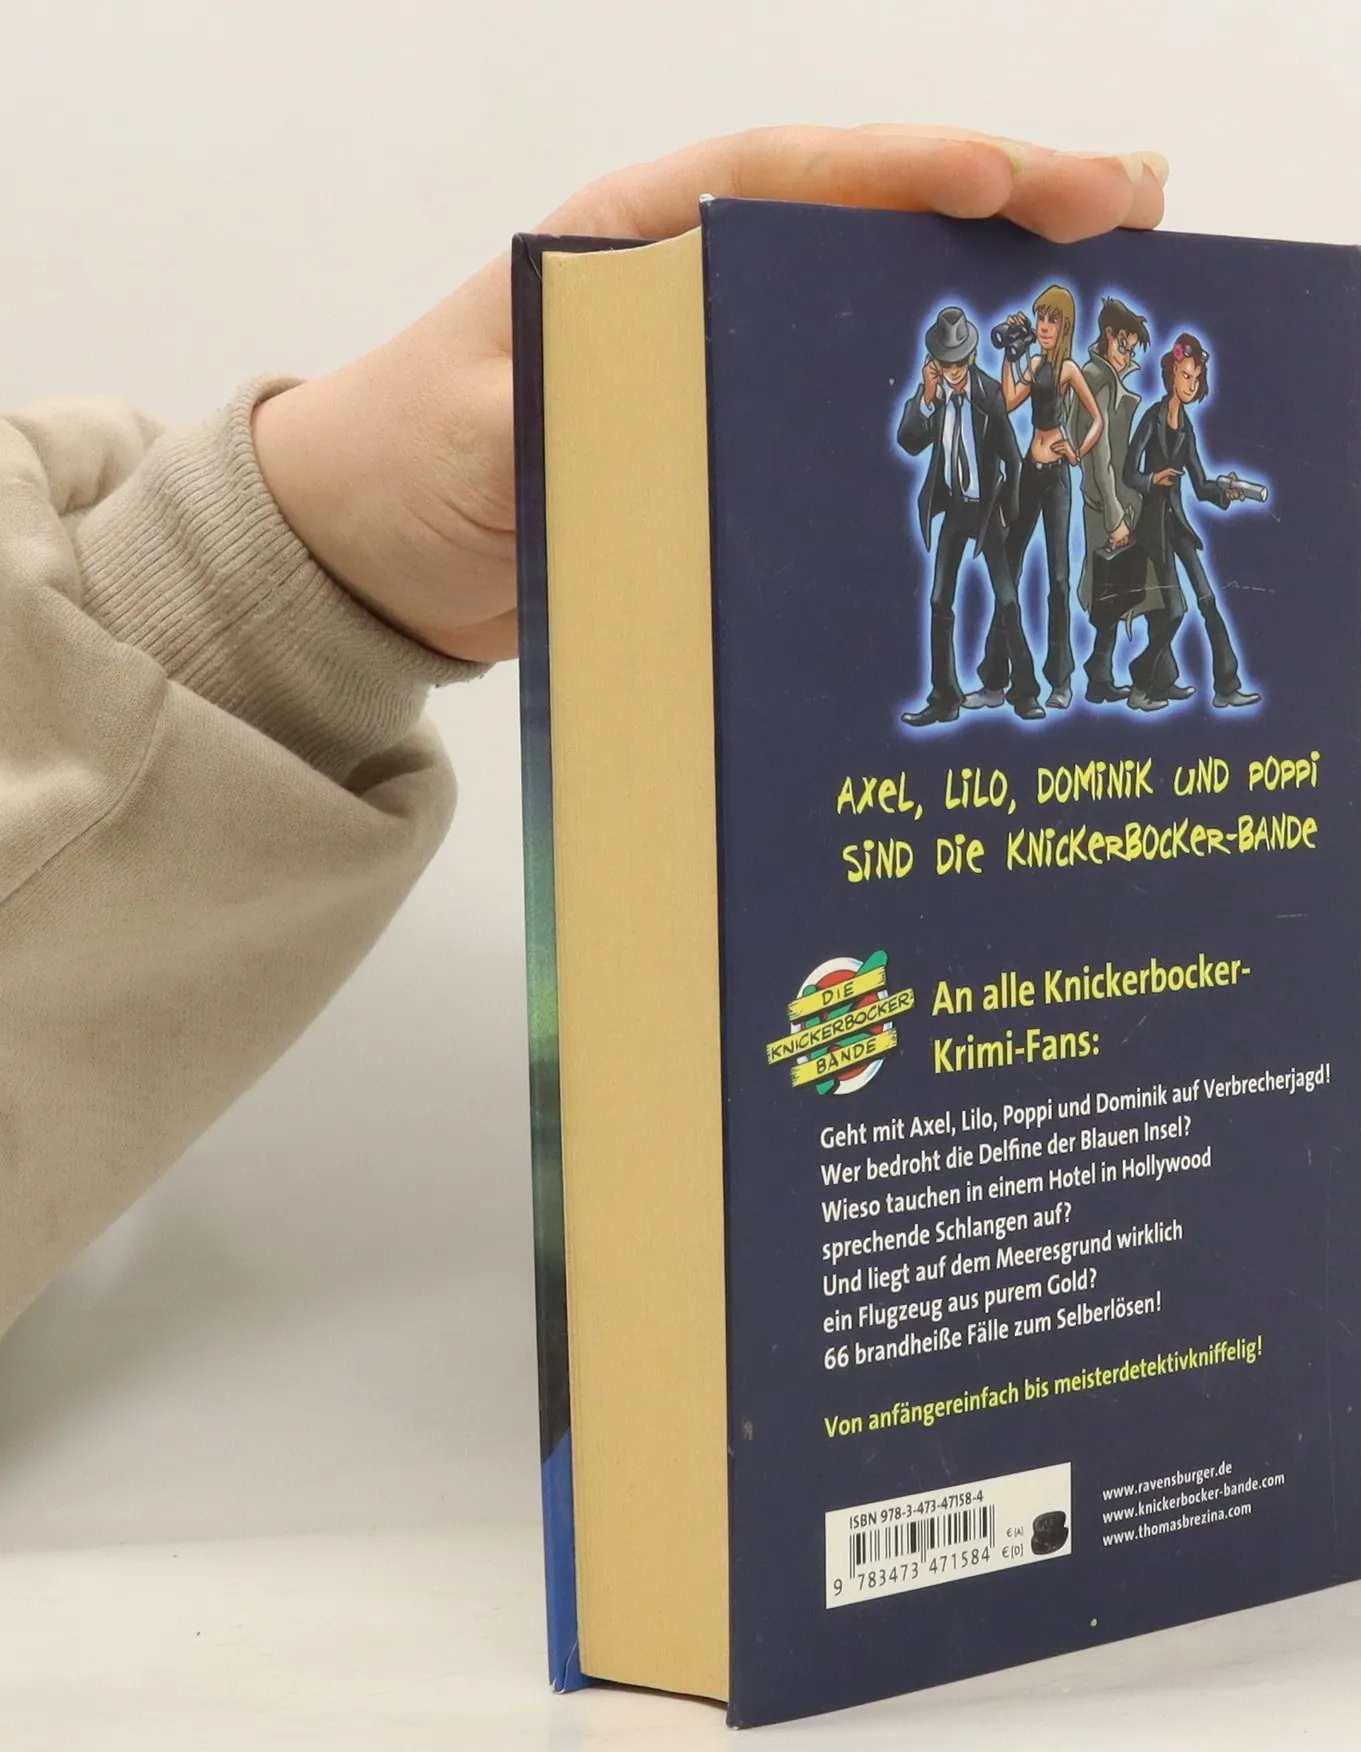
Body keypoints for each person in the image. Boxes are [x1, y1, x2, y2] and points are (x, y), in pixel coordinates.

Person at [0, 126, 1168, 1342]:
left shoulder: (1032, 389)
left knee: (1010, 616)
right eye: (967, 350)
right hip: (943, 517)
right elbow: (926, 444)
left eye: (977, 349)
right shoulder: (945, 394)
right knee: (940, 619)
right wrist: (270, 589)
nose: (978, 356)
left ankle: (1020, 677)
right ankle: (971, 681)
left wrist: (270, 573)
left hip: (997, 514)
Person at [896, 306, 1030, 725]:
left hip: (989, 510)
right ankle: (944, 698)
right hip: (955, 508)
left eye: (958, 364)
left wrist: (1009, 514)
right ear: (934, 364)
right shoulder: (933, 397)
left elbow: (1013, 460)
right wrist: (926, 397)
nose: (952, 372)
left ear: (970, 358)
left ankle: (1025, 691)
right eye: (944, 365)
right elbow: (908, 442)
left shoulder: (989, 394)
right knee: (940, 599)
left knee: (1007, 599)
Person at [978, 286, 1104, 710]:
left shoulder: (1067, 368)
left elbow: (1097, 419)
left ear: (1065, 325)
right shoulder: (1034, 363)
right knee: (1009, 569)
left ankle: (1060, 680)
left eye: (1051, 320)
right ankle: (995, 678)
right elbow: (1009, 400)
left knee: (1058, 578)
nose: (1044, 327)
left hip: (1057, 482)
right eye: (1040, 320)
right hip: (1030, 474)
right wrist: (1009, 354)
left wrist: (1077, 451)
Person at [1122, 331, 1261, 711]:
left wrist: (1226, 491)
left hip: (1178, 527)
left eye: (1196, 379)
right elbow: (1129, 473)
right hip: (1153, 532)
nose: (1191, 384)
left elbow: (1200, 485)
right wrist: (1154, 480)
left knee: (1208, 600)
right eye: (1186, 376)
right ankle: (1141, 678)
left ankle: (1227, 685)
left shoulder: (1186, 428)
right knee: (1174, 612)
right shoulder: (1151, 418)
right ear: (1171, 374)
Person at [1062, 295, 1150, 702]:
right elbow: (1099, 458)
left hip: (1111, 500)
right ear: (1109, 335)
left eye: (1131, 350)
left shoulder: (1104, 376)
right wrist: (1115, 516)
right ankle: (1099, 677)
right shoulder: (1096, 379)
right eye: (1123, 346)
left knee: (1116, 587)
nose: (1126, 355)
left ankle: (1101, 673)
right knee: (1110, 588)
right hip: (1104, 503)